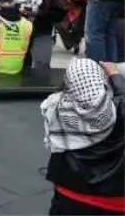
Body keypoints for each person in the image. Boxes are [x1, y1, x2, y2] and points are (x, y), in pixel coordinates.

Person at [43, 59, 125, 215]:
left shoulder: (57, 109)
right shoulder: (118, 111)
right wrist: (114, 74)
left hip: (69, 192)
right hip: (112, 201)